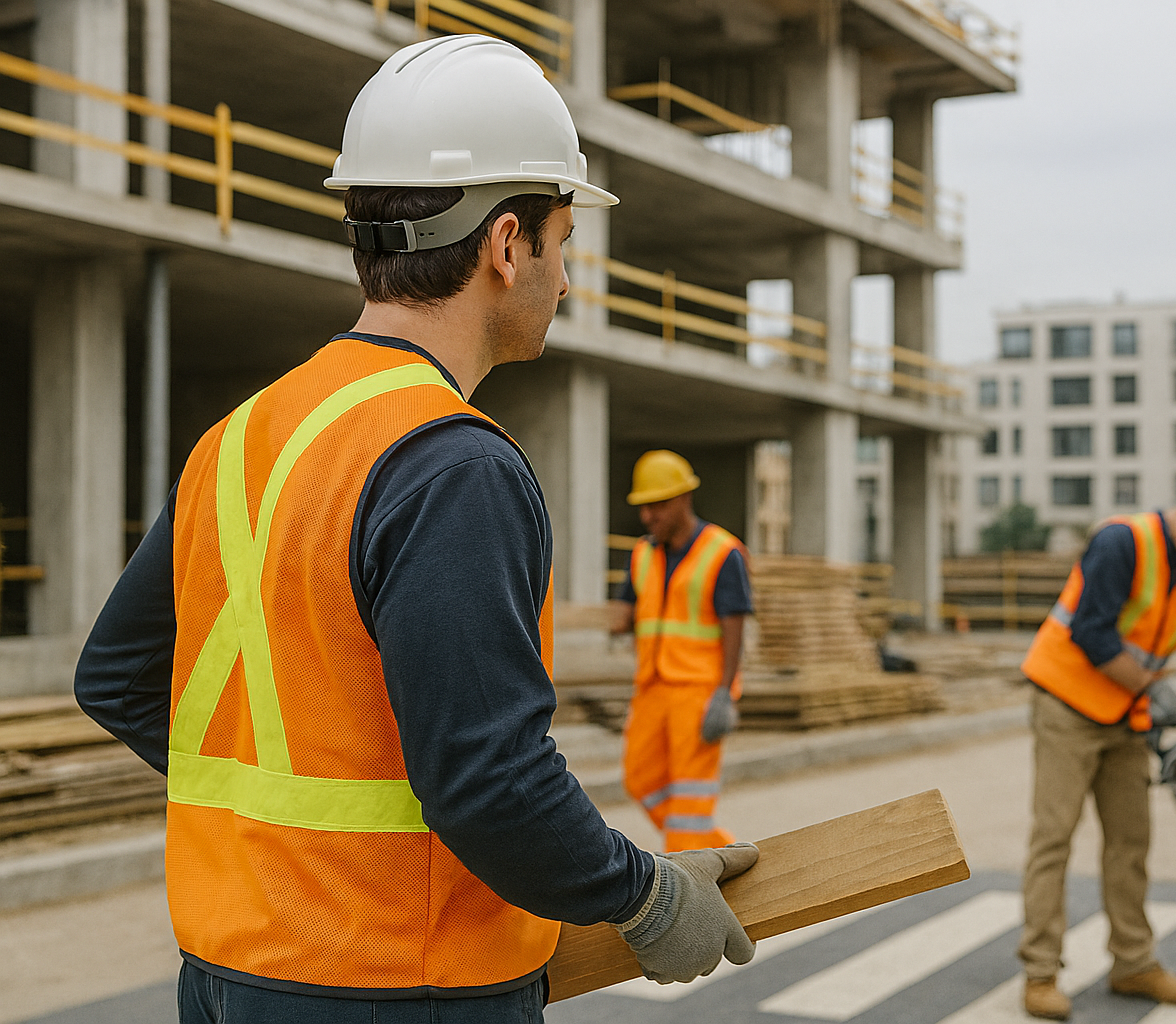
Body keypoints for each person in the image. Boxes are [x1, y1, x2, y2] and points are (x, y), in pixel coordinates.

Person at [74, 36, 756, 1023]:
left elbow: (117, 678)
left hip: (224, 976)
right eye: (564, 246)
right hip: (400, 984)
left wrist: (291, 857)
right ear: (506, 243)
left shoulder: (236, 439)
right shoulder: (454, 463)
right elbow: (492, 778)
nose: (566, 282)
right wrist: (644, 898)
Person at [1017, 462, 1176, 1020]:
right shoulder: (1121, 542)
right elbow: (1092, 631)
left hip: (1127, 716)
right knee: (1054, 838)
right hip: (1066, 706)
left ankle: (1133, 962)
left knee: (1130, 842)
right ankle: (1040, 971)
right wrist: (1159, 691)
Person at [611, 450, 752, 852]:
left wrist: (725, 693)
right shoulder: (642, 553)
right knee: (640, 779)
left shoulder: (722, 553)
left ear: (684, 499)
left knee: (690, 803)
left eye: (657, 505)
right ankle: (723, 855)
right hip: (652, 685)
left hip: (698, 691)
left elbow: (734, 626)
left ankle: (690, 878)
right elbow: (627, 607)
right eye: (644, 507)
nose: (648, 516)